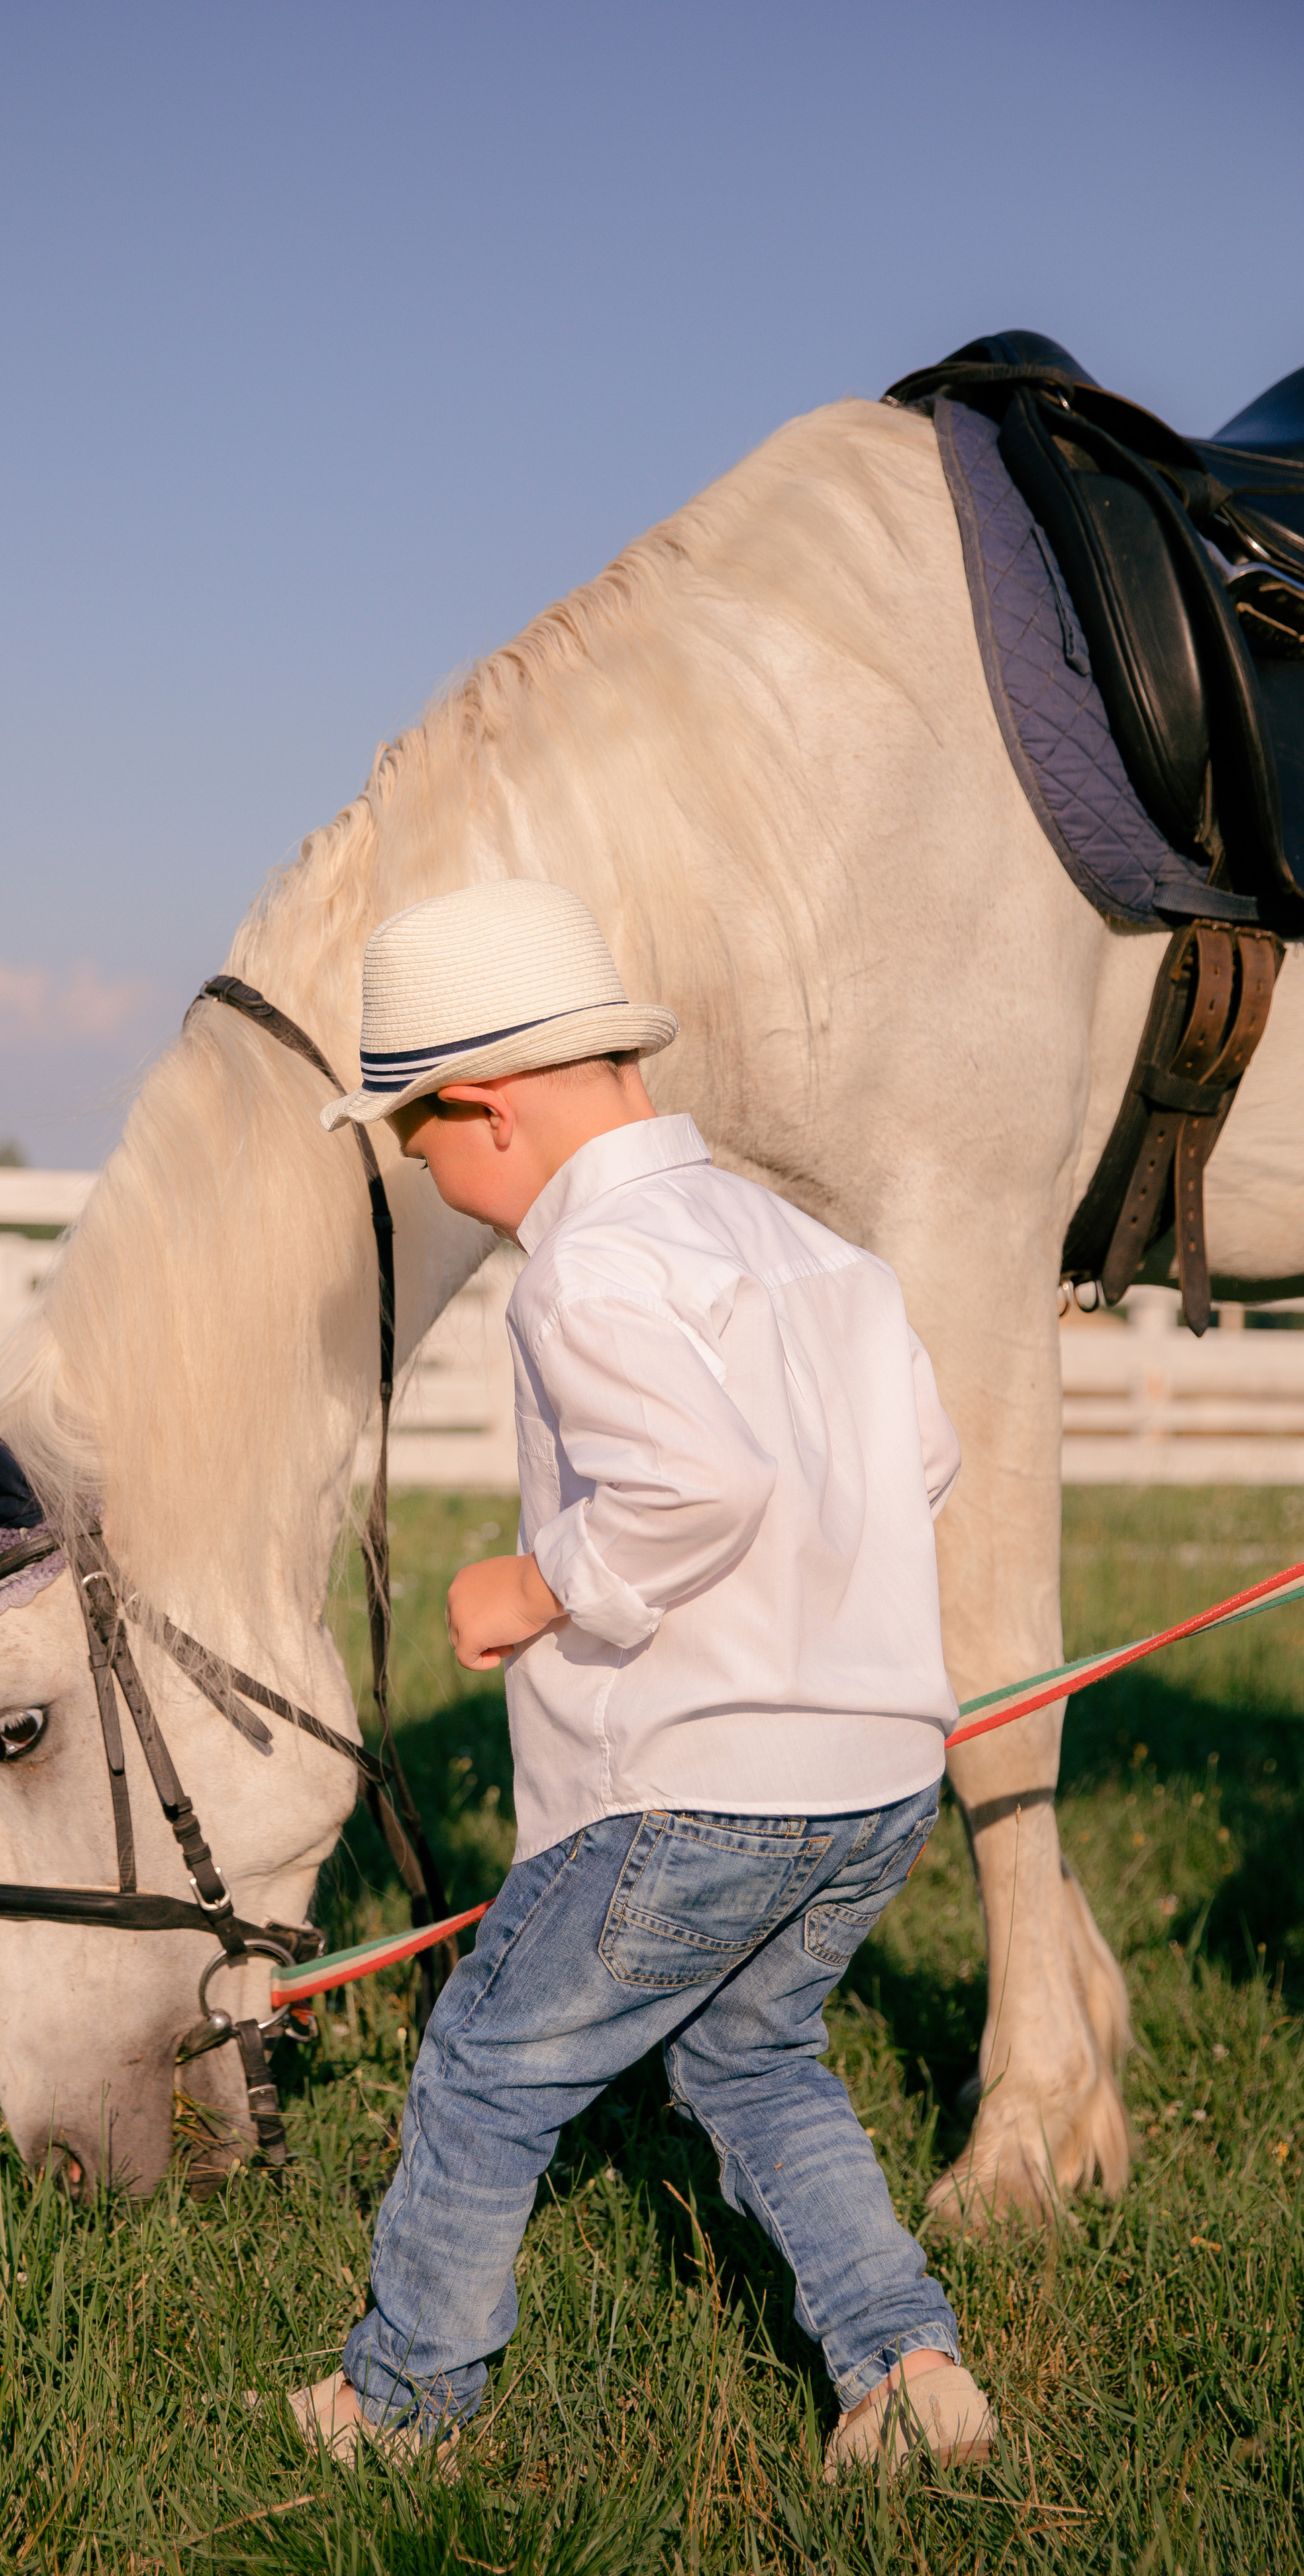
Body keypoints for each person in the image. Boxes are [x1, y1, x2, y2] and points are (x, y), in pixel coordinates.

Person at [282, 877, 996, 2480]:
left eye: (418, 1141)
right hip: (875, 1777)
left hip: (690, 1787)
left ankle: (401, 2405)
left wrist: (534, 1586)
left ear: (490, 1109)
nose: (433, 1178)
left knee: (480, 2067)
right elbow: (922, 1458)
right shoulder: (816, 1251)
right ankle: (903, 2367)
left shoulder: (584, 1267)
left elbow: (694, 1487)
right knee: (752, 2052)